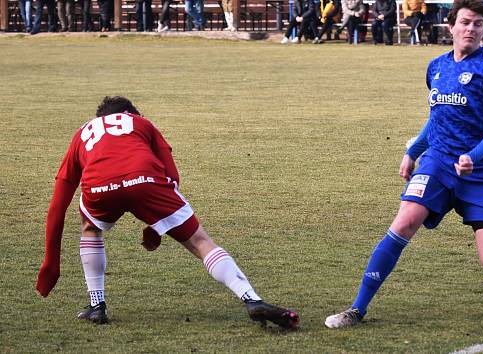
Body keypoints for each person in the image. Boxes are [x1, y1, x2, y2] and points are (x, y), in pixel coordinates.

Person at [324, 0, 483, 329]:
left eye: (477, 24)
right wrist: (413, 150)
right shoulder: (436, 67)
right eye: (465, 22)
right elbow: (437, 117)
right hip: (437, 163)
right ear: (451, 26)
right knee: (403, 224)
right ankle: (357, 309)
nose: (470, 29)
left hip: (480, 172)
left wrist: (474, 156)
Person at [35, 96, 300, 329]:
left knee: (90, 227)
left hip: (100, 187)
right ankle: (251, 299)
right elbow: (171, 176)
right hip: (147, 182)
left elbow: (59, 202)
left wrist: (51, 262)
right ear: (132, 114)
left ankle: (97, 305)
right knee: (200, 241)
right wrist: (157, 224)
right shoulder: (143, 123)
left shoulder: (82, 132)